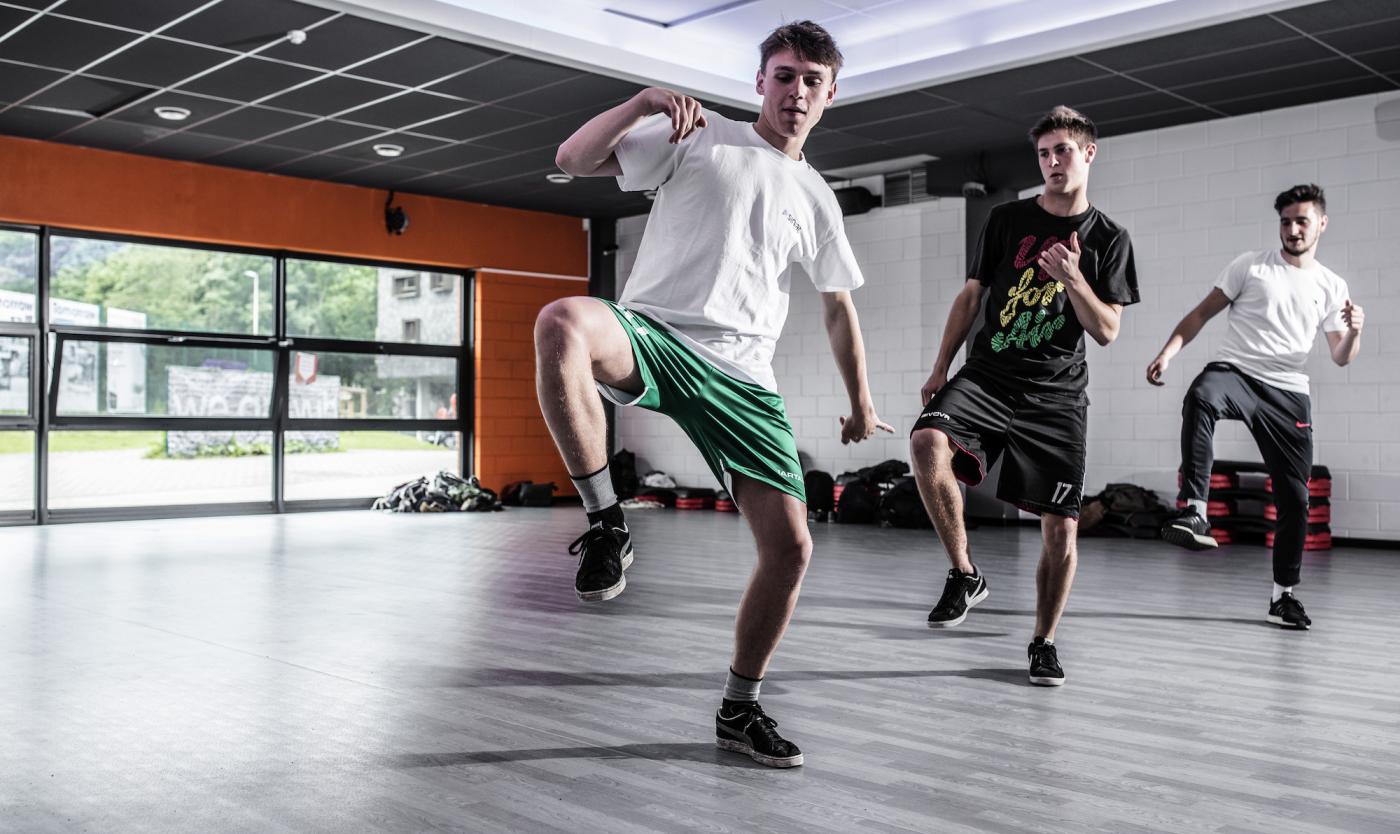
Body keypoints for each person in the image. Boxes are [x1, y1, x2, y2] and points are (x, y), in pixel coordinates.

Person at [537, 20, 892, 767]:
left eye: (813, 81)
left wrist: (861, 400)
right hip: (654, 334)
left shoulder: (817, 197)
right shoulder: (701, 134)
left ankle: (740, 708)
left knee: (790, 550)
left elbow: (838, 307)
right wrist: (642, 102)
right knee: (562, 320)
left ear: (831, 94)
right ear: (761, 81)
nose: (797, 92)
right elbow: (572, 159)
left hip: (744, 377)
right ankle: (606, 524)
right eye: (785, 75)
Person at [909, 106, 1138, 686]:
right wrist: (940, 366)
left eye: (1063, 150)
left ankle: (1044, 641)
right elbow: (971, 296)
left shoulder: (1109, 238)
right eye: (1044, 153)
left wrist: (1073, 279)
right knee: (926, 440)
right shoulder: (1006, 219)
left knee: (1060, 529)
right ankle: (965, 573)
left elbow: (1107, 330)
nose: (1053, 162)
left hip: (1057, 397)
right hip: (988, 375)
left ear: (1088, 153)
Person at [1148, 184, 1362, 630]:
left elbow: (1341, 356)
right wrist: (1167, 353)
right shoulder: (1251, 266)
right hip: (1236, 373)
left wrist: (1355, 332)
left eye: (1302, 221)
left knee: (1296, 499)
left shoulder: (1331, 285)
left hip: (1288, 391)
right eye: (1286, 221)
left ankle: (1283, 596)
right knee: (1202, 394)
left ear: (1321, 223)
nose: (1293, 229)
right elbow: (1200, 314)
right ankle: (1196, 511)